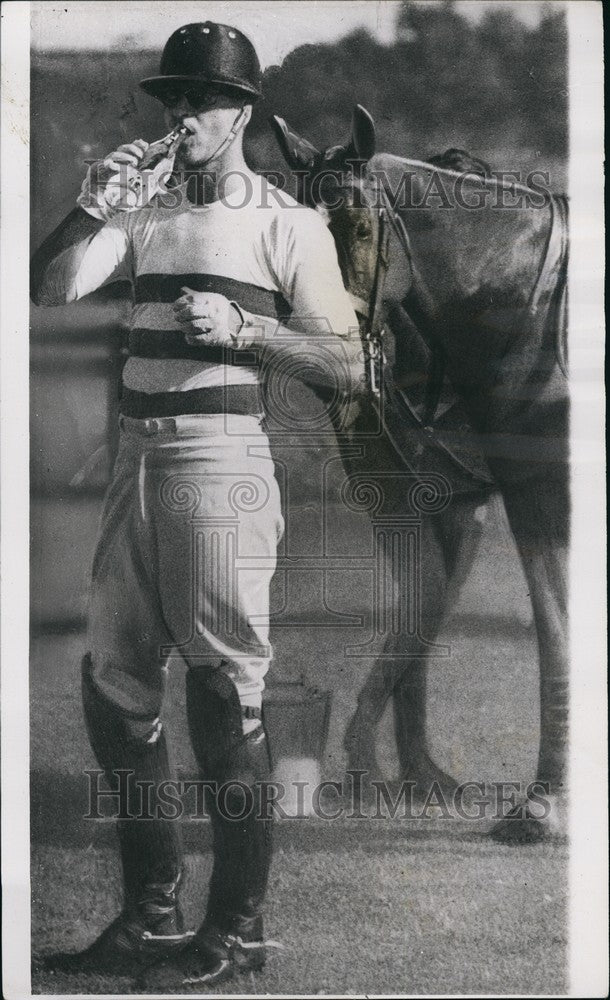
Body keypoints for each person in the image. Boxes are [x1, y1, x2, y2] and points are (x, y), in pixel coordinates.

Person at [31, 21, 361, 990]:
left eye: (201, 100)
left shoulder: (287, 223)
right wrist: (92, 205)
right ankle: (150, 915)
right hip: (134, 459)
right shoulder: (144, 210)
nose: (181, 114)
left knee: (221, 694)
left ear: (243, 112)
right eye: (171, 97)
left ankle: (240, 931)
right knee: (113, 691)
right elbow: (50, 288)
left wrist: (247, 329)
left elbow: (347, 365)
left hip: (221, 462)